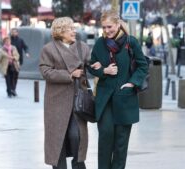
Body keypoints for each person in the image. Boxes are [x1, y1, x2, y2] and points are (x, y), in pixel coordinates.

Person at [88, 10, 148, 169]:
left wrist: (132, 83)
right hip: (105, 98)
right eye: (104, 27)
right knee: (105, 137)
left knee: (121, 144)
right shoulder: (100, 43)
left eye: (110, 27)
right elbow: (92, 66)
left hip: (125, 97)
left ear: (118, 24)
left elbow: (143, 66)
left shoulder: (131, 42)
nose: (107, 31)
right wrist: (103, 71)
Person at [39, 17, 90, 169]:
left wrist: (100, 67)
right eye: (70, 29)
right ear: (61, 32)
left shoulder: (82, 47)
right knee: (57, 140)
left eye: (74, 28)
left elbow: (92, 65)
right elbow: (46, 71)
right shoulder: (48, 49)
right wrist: (69, 75)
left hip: (77, 100)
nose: (74, 31)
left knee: (77, 137)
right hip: (56, 101)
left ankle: (78, 166)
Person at [10, 28, 30, 96]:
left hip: (18, 60)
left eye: (15, 32)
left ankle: (13, 89)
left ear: (17, 33)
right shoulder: (9, 40)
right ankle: (11, 88)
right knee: (10, 74)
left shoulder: (20, 40)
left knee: (15, 75)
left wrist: (27, 52)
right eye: (12, 32)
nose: (14, 33)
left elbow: (25, 47)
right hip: (10, 60)